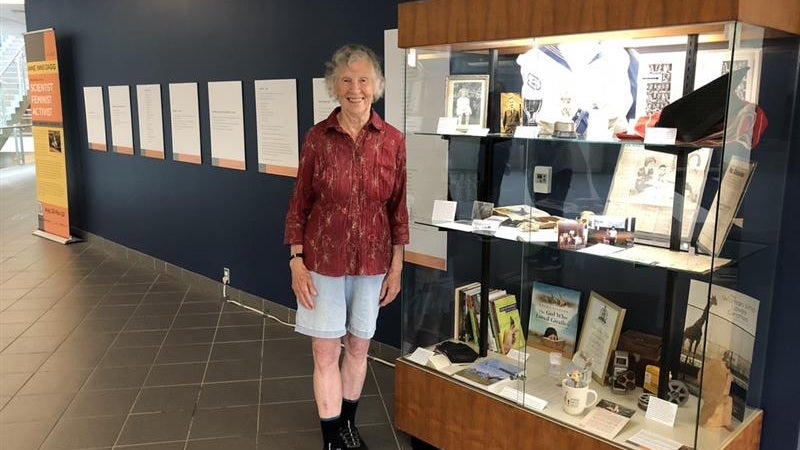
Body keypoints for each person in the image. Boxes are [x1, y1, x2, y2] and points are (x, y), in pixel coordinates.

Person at [284, 44, 409, 450]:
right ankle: (331, 438)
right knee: (325, 353)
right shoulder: (317, 139)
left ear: (377, 86)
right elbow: (300, 202)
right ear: (335, 87)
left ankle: (348, 427)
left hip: (373, 263)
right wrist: (296, 259)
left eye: (364, 80)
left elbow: (398, 208)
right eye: (347, 80)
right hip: (322, 261)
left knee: (358, 347)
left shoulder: (393, 141)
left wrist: (397, 266)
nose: (356, 89)